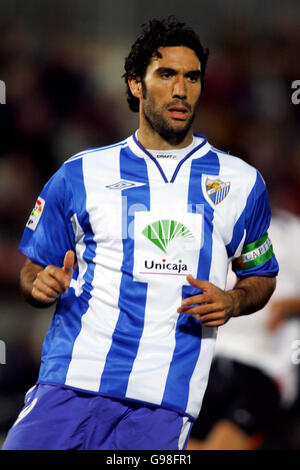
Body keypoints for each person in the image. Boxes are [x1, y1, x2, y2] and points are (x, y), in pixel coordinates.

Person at [2, 17, 278, 451]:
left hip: (164, 402)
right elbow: (32, 270)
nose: (181, 90)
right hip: (70, 383)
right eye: (166, 74)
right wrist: (39, 284)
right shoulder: (80, 174)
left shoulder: (241, 183)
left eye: (192, 77)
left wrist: (233, 300)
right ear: (136, 84)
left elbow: (261, 275)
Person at [188, 208, 300, 450]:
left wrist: (293, 305)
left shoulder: (291, 232)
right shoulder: (209, 227)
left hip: (263, 366)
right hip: (206, 363)